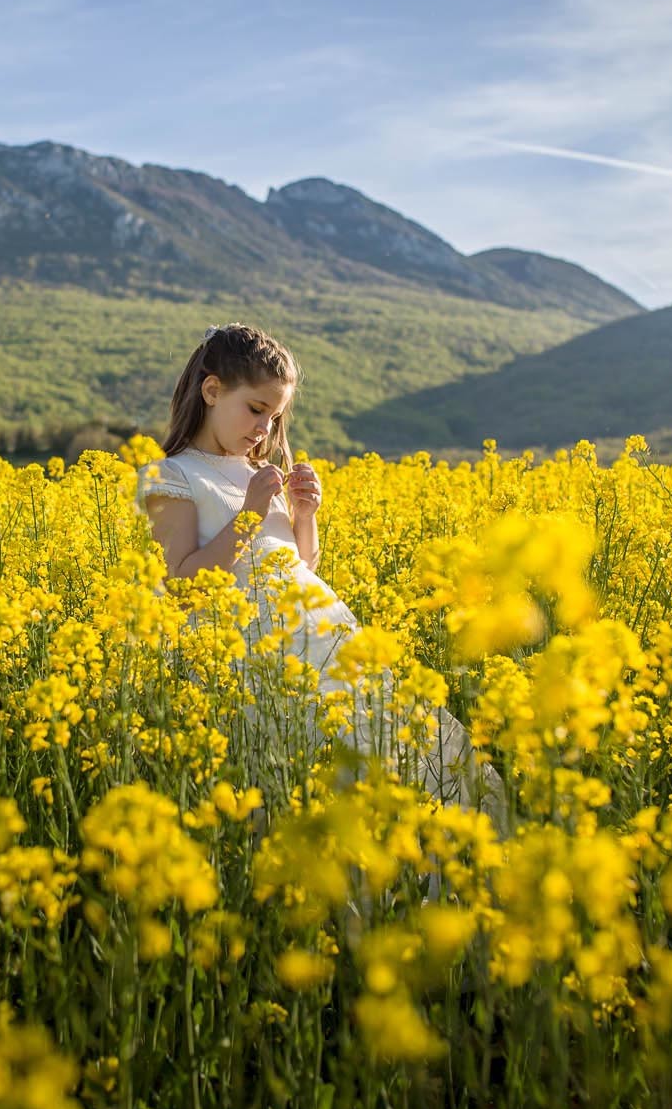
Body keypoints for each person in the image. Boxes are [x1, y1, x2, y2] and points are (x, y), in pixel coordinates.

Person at [134, 322, 505, 827]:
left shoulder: (255, 473)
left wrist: (304, 516)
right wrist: (249, 513)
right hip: (241, 659)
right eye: (256, 410)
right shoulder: (172, 475)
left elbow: (298, 566)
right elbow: (180, 580)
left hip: (317, 636)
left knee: (384, 754)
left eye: (276, 416)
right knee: (296, 777)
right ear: (213, 390)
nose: (265, 429)